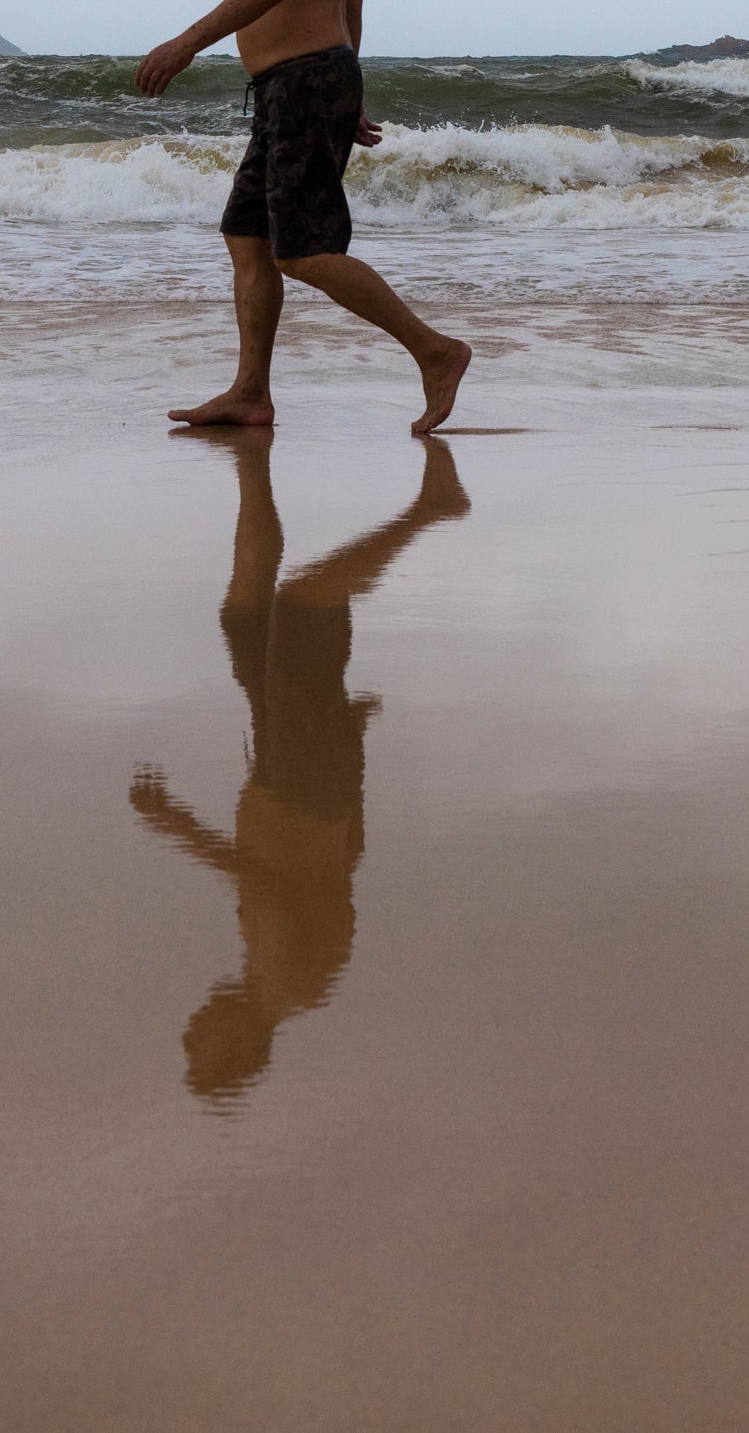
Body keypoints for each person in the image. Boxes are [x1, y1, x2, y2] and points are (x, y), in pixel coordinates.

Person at [137, 0, 472, 436]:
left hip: (302, 82)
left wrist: (184, 44)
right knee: (247, 237)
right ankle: (251, 393)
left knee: (301, 250)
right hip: (302, 83)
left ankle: (436, 352)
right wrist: (348, 78)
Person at [129, 428, 470, 1101]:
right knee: (305, 604)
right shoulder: (290, 984)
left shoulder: (275, 982)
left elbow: (349, 860)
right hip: (302, 781)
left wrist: (352, 747)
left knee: (243, 619)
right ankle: (426, 511)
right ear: (240, 1050)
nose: (194, 1026)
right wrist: (175, 825)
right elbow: (274, 880)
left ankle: (253, 476)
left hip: (288, 772)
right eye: (203, 1044)